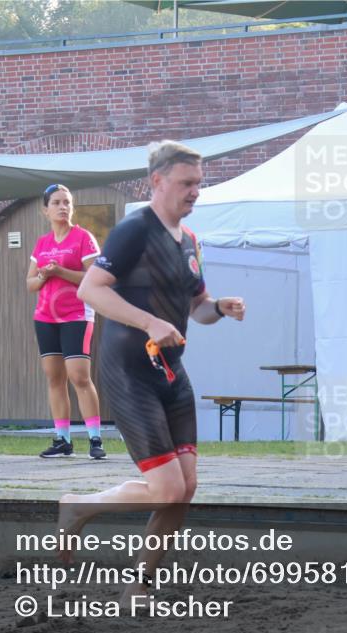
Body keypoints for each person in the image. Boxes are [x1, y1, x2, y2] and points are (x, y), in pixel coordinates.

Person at [58, 140, 246, 606]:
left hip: (171, 372)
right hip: (129, 371)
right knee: (166, 487)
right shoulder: (133, 230)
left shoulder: (190, 242)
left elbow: (196, 308)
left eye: (199, 184)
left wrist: (217, 307)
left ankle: (137, 584)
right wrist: (148, 321)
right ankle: (77, 508)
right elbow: (90, 290)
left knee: (185, 489)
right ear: (158, 181)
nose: (195, 192)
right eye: (187, 183)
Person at [26, 184, 106, 460]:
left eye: (67, 202)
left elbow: (94, 276)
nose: (63, 207)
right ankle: (62, 439)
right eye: (57, 203)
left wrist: (60, 270)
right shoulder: (42, 243)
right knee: (54, 378)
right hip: (45, 317)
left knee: (79, 377)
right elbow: (30, 283)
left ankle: (95, 439)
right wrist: (44, 277)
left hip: (76, 315)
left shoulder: (83, 237)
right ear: (45, 210)